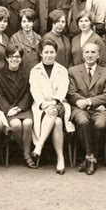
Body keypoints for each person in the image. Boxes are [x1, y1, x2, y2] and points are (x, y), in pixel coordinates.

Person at [68, 43, 106, 175]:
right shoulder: (73, 71)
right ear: (83, 55)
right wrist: (84, 103)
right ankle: (91, 157)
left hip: (100, 109)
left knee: (100, 124)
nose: (90, 55)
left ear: (98, 55)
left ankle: (90, 158)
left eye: (93, 52)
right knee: (82, 121)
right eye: (87, 52)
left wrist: (90, 102)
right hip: (79, 108)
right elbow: (71, 93)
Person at [29, 39, 74, 174]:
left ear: (56, 53)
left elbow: (62, 89)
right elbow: (34, 90)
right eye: (46, 52)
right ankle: (60, 159)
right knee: (57, 122)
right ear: (41, 54)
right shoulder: (35, 70)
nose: (49, 55)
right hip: (41, 105)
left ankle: (39, 146)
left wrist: (54, 102)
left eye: (52, 52)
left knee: (54, 113)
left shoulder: (62, 70)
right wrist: (43, 104)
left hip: (59, 103)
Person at [0, 45, 36, 169]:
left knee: (28, 123)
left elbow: (29, 93)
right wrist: (8, 109)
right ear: (6, 58)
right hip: (8, 108)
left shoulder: (27, 72)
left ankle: (25, 153)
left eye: (17, 57)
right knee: (16, 125)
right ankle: (26, 152)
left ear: (21, 58)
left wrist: (19, 108)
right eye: (11, 57)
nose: (14, 59)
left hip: (23, 107)